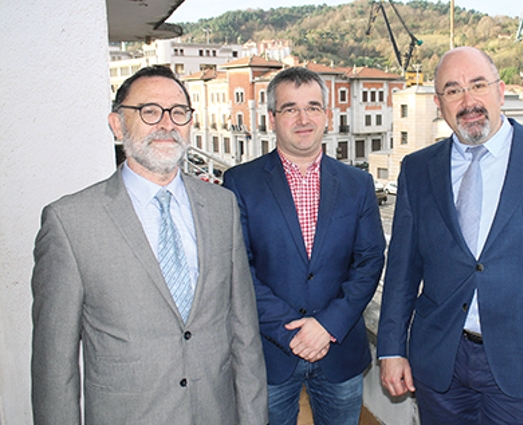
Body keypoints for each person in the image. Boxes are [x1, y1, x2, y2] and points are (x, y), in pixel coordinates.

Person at [376, 46, 523, 424]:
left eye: (478, 85)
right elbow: (402, 269)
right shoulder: (418, 169)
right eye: (453, 90)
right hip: (440, 361)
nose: (468, 100)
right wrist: (391, 349)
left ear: (500, 91)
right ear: (439, 104)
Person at [31, 65, 268, 425]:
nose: (167, 124)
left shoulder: (222, 206)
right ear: (117, 124)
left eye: (178, 112)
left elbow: (244, 332)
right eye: (149, 111)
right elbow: (54, 366)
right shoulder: (69, 222)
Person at [222, 67, 386, 425]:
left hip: (338, 347)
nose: (303, 118)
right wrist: (292, 332)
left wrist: (327, 325)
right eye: (290, 108)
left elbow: (370, 260)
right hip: (270, 352)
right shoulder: (239, 182)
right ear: (271, 118)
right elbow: (237, 268)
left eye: (313, 107)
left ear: (326, 115)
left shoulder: (358, 184)